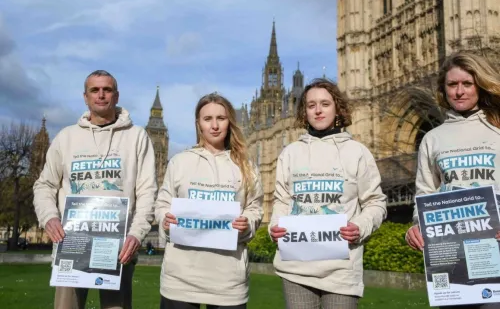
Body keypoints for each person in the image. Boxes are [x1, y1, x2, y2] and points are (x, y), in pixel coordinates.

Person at [33, 70, 157, 309]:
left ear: (117, 95)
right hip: (71, 246)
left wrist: (136, 234)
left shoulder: (137, 137)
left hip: (119, 250)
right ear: (85, 97)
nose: (101, 95)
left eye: (107, 90)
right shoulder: (66, 137)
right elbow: (44, 185)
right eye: (95, 90)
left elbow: (147, 192)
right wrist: (49, 217)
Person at [269, 78, 387, 309]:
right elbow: (282, 200)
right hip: (296, 267)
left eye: (325, 103)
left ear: (337, 107)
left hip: (342, 268)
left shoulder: (357, 152)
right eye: (311, 105)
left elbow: (376, 203)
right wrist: (275, 226)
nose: (318, 110)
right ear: (304, 111)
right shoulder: (290, 153)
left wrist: (360, 227)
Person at [406, 51, 500, 309]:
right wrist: (415, 227)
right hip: (451, 260)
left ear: (479, 85)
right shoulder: (433, 138)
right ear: (444, 89)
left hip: (495, 254)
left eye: (467, 84)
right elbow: (425, 193)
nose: (459, 91)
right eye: (452, 84)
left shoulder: (497, 131)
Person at [155, 92, 263, 309]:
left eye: (221, 119)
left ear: (229, 122)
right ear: (198, 124)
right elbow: (162, 204)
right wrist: (164, 220)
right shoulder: (180, 162)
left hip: (228, 282)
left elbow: (255, 208)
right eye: (207, 119)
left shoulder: (247, 166)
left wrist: (247, 223)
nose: (214, 126)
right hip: (180, 280)